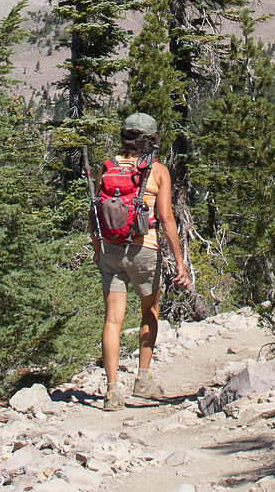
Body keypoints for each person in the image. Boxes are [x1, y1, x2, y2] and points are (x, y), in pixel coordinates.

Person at [90, 112, 189, 410]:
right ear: (151, 139)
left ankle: (111, 391)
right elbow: (167, 218)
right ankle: (142, 381)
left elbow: (95, 213)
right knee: (149, 311)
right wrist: (179, 261)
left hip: (111, 249)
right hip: (144, 249)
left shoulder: (106, 168)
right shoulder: (157, 171)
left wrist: (98, 249)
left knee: (112, 319)